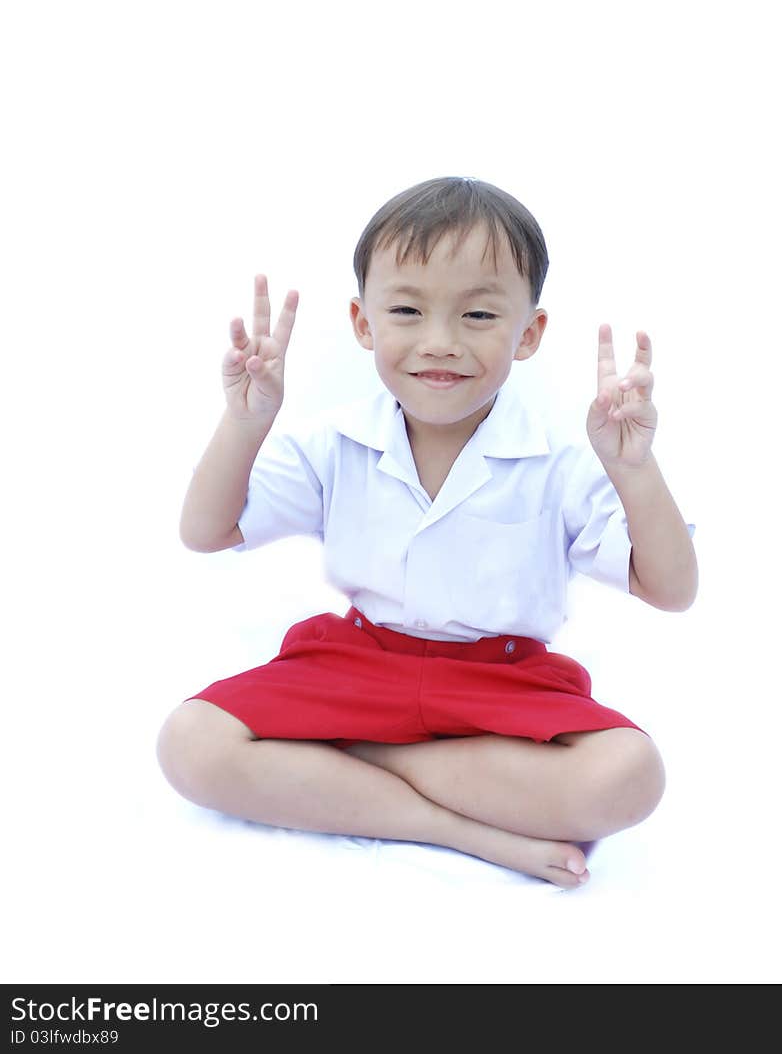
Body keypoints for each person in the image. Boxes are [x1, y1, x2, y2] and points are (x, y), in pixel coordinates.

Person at [156, 176, 697, 889]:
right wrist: (247, 422)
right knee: (190, 743)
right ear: (363, 322)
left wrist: (636, 470)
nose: (439, 343)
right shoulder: (335, 443)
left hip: (499, 679)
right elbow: (207, 531)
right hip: (358, 663)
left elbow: (673, 589)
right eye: (407, 310)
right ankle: (463, 830)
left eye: (478, 315)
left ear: (528, 334)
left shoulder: (561, 464)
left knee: (631, 775)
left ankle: (354, 762)